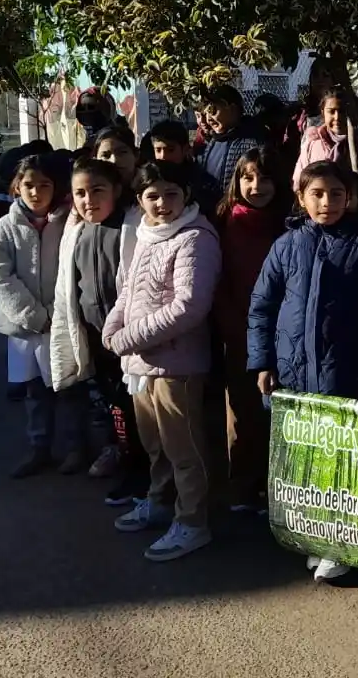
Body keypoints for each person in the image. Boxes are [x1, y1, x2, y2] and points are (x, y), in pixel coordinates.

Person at [248, 160, 358, 582]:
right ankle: (313, 537)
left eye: (336, 194)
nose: (327, 202)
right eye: (317, 194)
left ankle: (342, 543)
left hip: (346, 374)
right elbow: (262, 306)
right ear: (301, 197)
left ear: (348, 198)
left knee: (343, 462)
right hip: (294, 373)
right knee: (304, 460)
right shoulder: (287, 246)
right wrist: (261, 361)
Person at [103, 161, 221, 562]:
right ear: (140, 201)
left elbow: (189, 306)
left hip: (177, 365)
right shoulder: (147, 235)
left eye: (171, 194)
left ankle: (193, 522)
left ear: (186, 195)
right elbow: (128, 290)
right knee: (156, 446)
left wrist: (127, 338)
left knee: (184, 448)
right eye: (152, 196)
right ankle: (159, 503)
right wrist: (113, 328)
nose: (162, 203)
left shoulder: (195, 238)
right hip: (139, 364)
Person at [51, 157, 151, 506]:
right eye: (80, 192)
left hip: (131, 340)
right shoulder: (76, 231)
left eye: (97, 190)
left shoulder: (133, 228)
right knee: (117, 410)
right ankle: (130, 466)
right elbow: (70, 286)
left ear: (118, 191)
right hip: (96, 340)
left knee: (140, 413)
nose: (88, 199)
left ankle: (145, 477)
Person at [0, 154, 76, 477]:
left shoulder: (68, 222)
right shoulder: (5, 229)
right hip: (25, 328)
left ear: (56, 187)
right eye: (28, 185)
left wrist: (57, 313)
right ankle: (40, 448)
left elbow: (73, 270)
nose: (36, 192)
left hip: (61, 324)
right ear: (16, 188)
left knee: (68, 388)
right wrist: (34, 316)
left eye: (44, 185)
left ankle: (76, 448)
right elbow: (0, 277)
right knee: (35, 392)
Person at [215, 146, 288, 514]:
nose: (256, 185)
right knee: (241, 413)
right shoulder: (226, 220)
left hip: (282, 335)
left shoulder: (288, 223)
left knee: (276, 414)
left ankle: (275, 486)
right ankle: (243, 484)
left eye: (265, 177)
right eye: (247, 177)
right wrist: (233, 329)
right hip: (238, 333)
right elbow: (219, 279)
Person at [292, 83, 358, 211]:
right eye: (331, 112)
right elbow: (299, 182)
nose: (337, 117)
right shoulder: (313, 143)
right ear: (322, 112)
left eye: (342, 111)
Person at [144, 119, 222, 221]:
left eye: (170, 150)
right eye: (158, 150)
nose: (163, 156)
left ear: (185, 149)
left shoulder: (203, 183)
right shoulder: (148, 179)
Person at [200, 85, 265, 195]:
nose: (208, 118)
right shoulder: (214, 140)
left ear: (233, 109)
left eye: (213, 110)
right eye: (206, 112)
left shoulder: (251, 142)